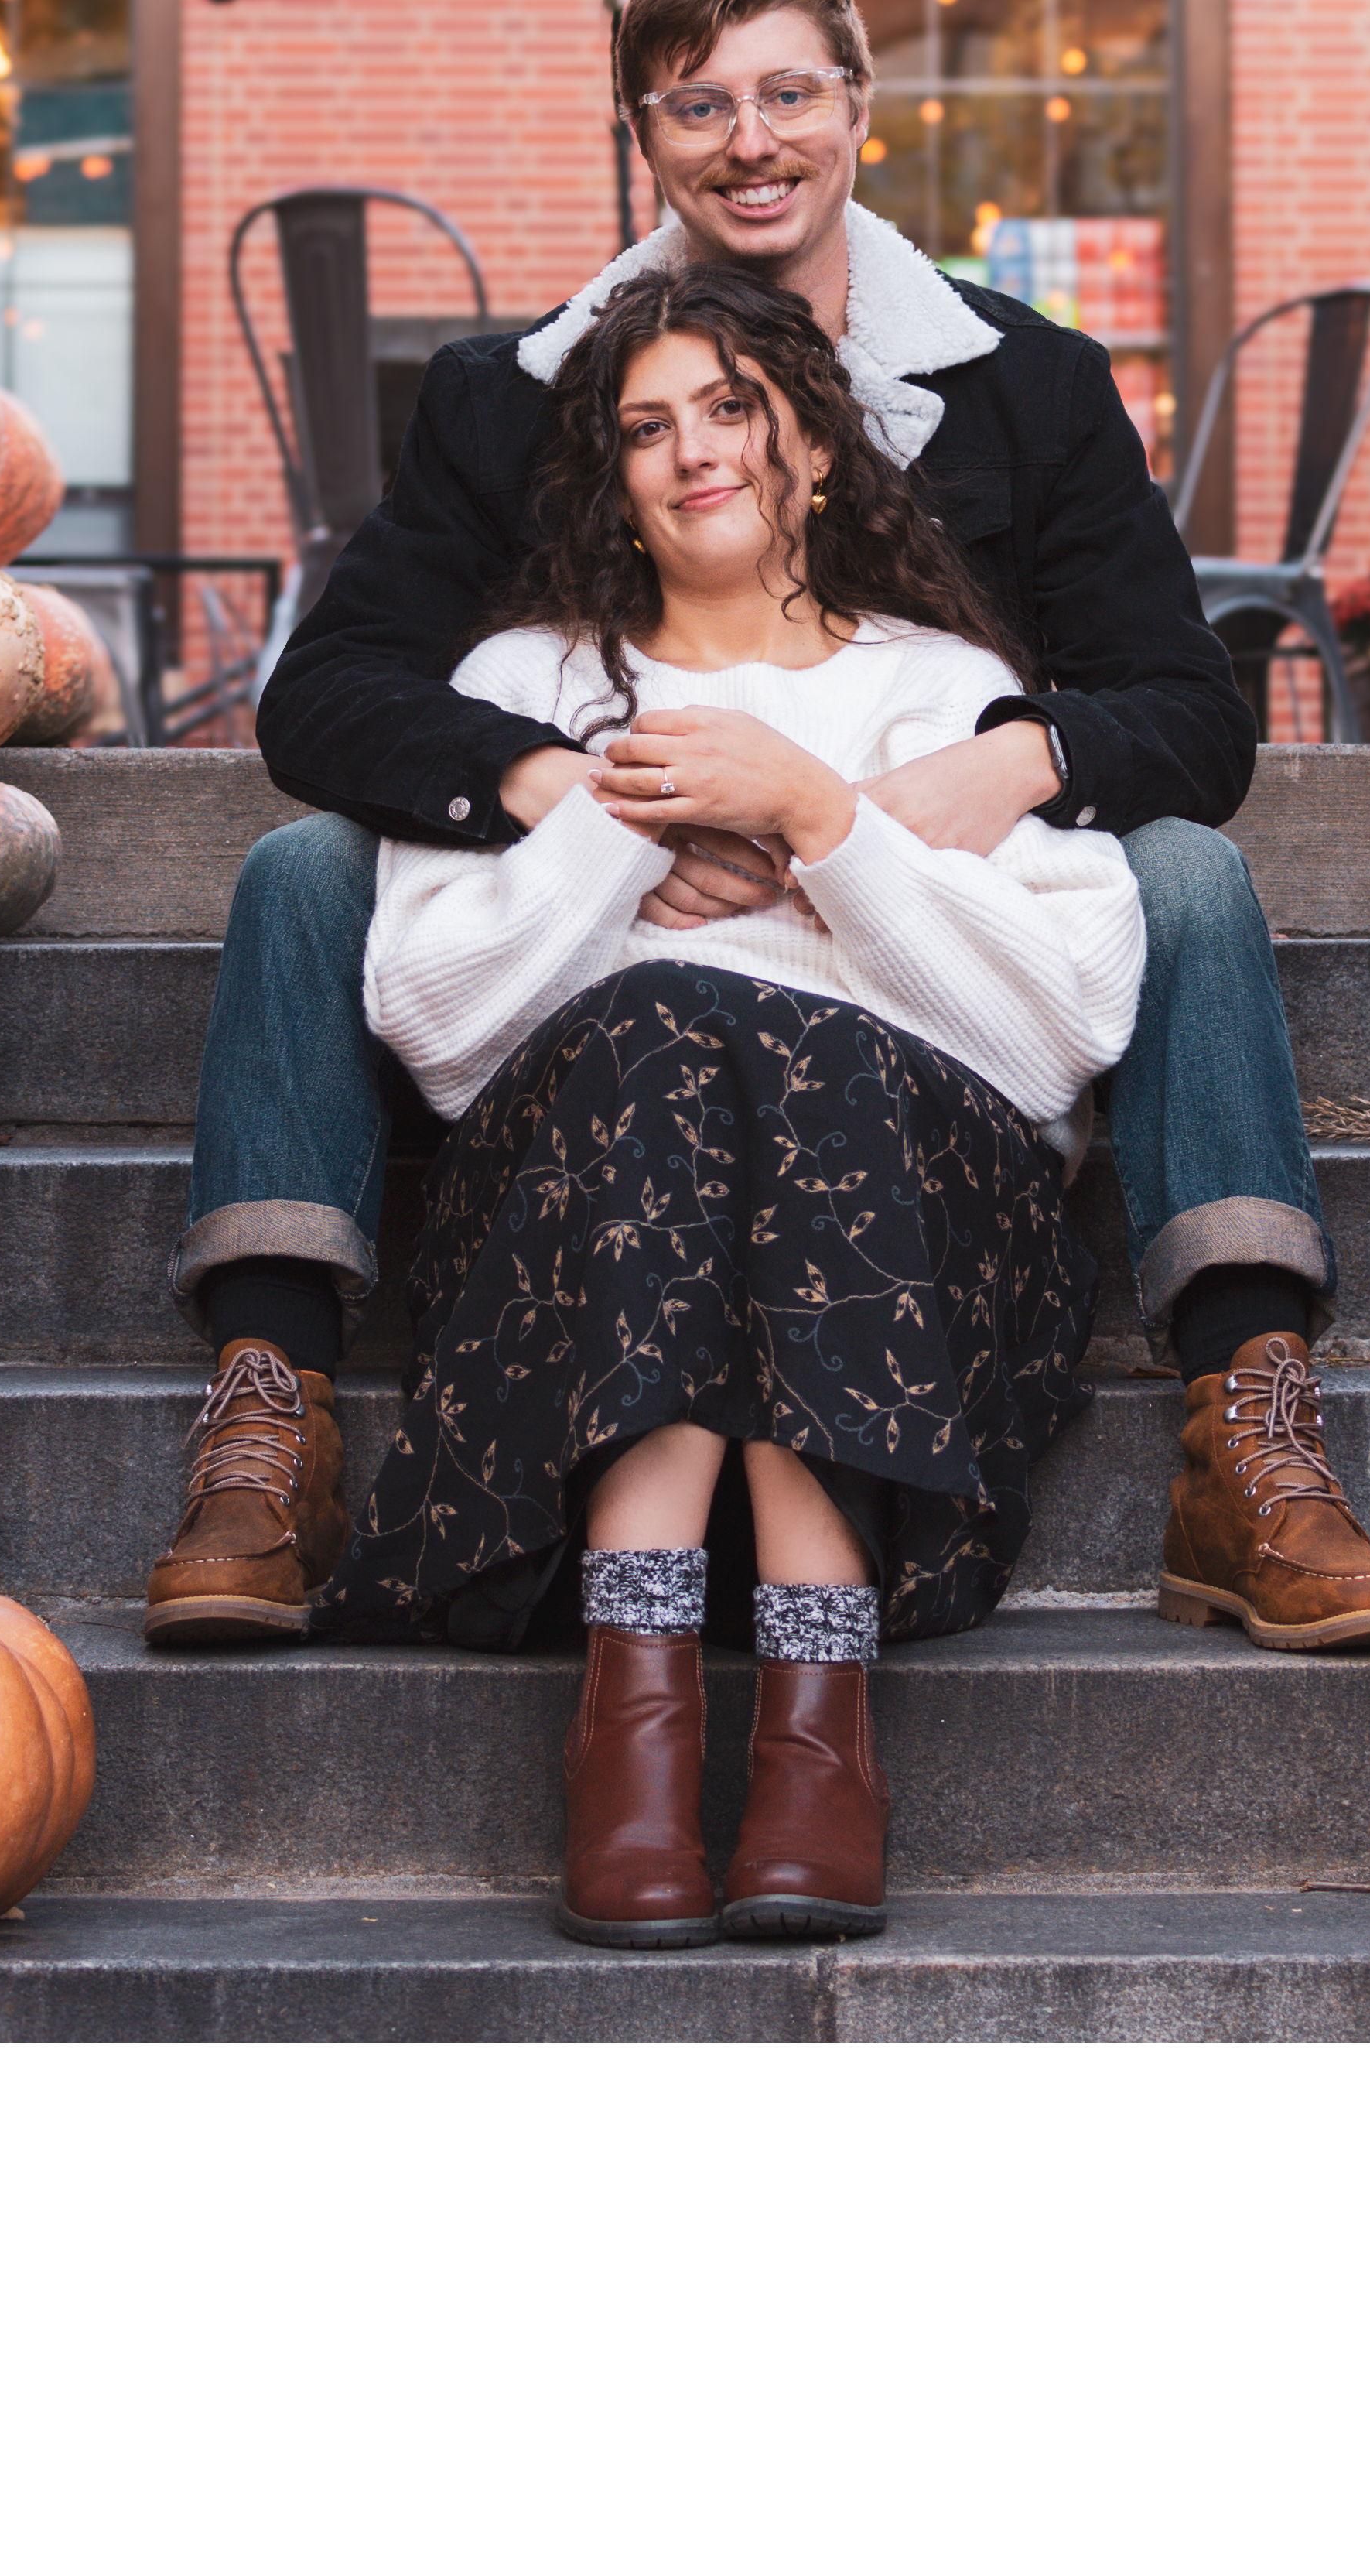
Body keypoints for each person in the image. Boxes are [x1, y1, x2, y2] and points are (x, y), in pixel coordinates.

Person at [148, 0, 1370, 1668]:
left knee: (1188, 873)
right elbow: (328, 694)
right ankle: (270, 1405)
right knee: (306, 870)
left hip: (931, 932)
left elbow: (1189, 710)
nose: (750, 142)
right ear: (644, 138)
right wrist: (571, 787)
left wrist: (981, 768)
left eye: (788, 95)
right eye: (698, 106)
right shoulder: (515, 399)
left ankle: (1249, 1415)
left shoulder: (1028, 385)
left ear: (860, 107)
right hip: (600, 971)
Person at [330, 262, 1140, 1943]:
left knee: (781, 1056)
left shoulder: (943, 691)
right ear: (612, 482)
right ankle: (781, 1730)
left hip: (916, 1229)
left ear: (818, 447)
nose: (693, 451)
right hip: (584, 1216)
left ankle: (647, 1735)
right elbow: (435, 1024)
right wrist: (616, 826)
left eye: (732, 409)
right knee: (677, 1033)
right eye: (647, 428)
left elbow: (1061, 1029)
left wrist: (820, 820)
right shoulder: (527, 690)